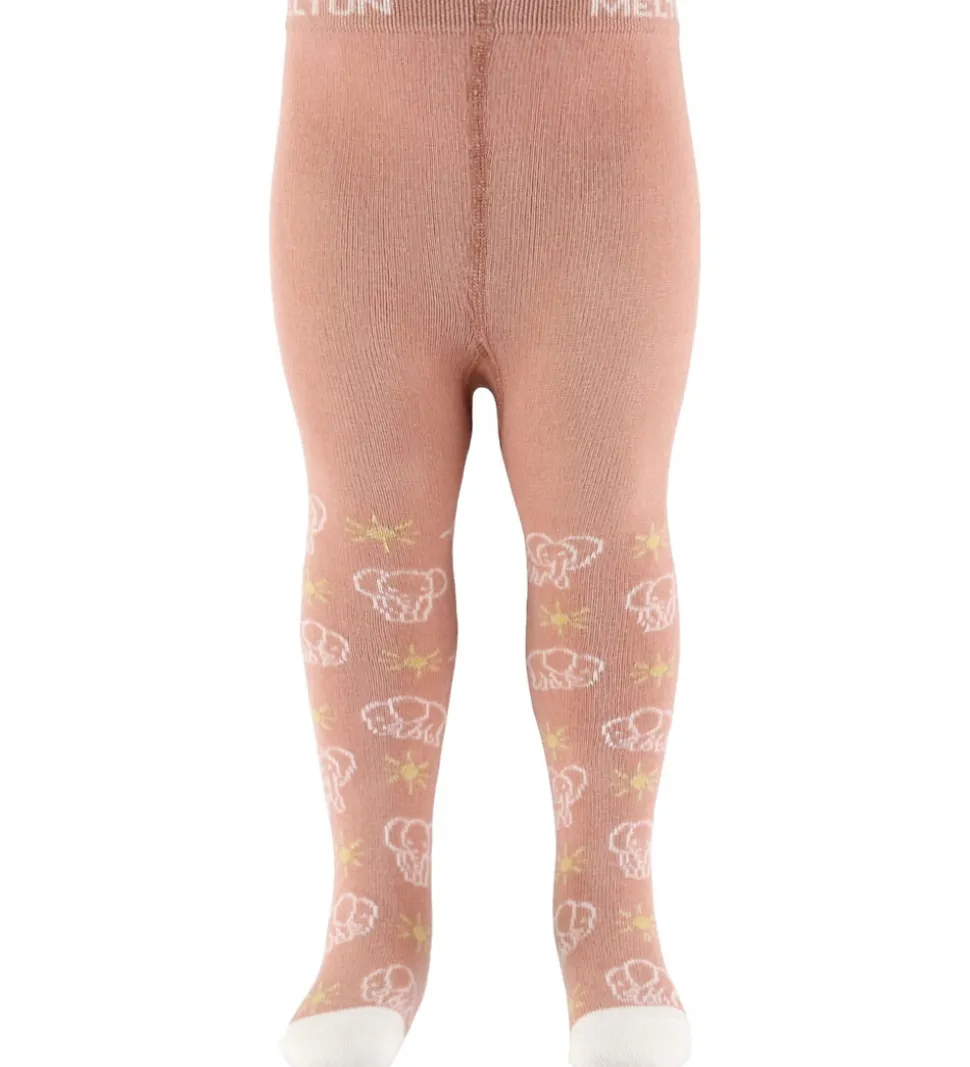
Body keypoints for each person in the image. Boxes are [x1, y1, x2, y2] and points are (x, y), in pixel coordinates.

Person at [269, 0, 699, 1063]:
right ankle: (373, 921)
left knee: (604, 536)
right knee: (367, 534)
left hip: (605, 142)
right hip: (354, 146)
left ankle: (610, 916)